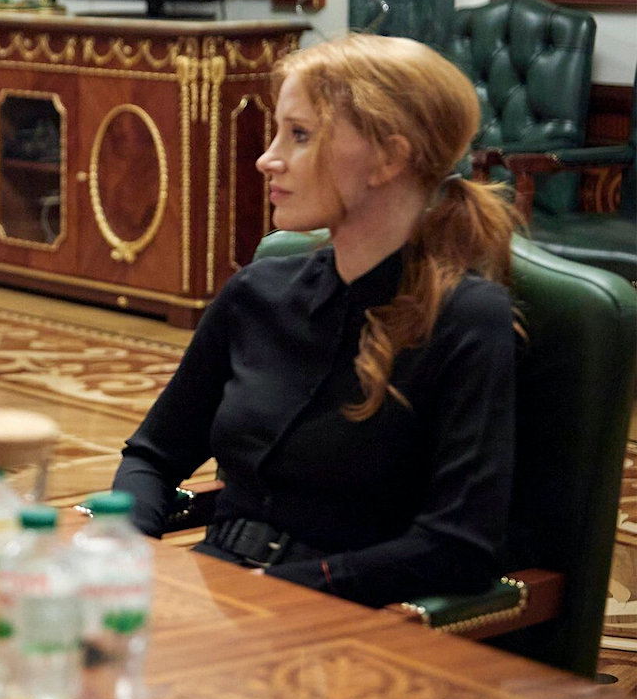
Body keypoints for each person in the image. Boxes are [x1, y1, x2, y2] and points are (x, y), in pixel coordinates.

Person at [111, 33, 520, 607]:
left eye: (299, 135)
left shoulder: (466, 319)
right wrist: (121, 547)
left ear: (388, 158)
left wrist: (279, 592)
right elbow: (154, 456)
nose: (267, 158)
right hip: (218, 595)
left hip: (349, 625)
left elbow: (459, 546)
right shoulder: (256, 292)